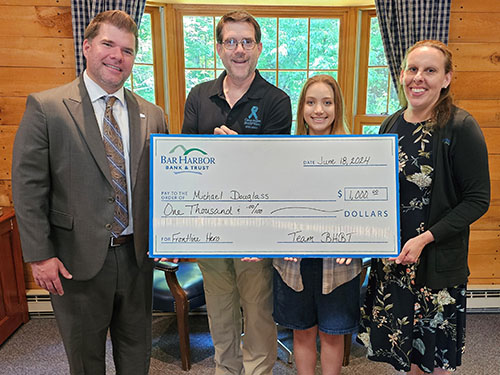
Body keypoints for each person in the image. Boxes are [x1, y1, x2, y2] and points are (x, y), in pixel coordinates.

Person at [12, 10, 167, 375]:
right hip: (73, 262)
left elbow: (162, 187)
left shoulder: (152, 114)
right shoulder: (47, 108)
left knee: (137, 353)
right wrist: (39, 255)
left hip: (136, 260)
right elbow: (28, 186)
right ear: (86, 47)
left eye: (127, 50)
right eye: (108, 44)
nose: (118, 56)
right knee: (85, 358)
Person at [357, 40, 490, 375]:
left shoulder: (461, 126)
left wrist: (424, 239)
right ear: (402, 75)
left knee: (431, 362)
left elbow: (477, 199)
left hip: (434, 265)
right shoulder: (390, 126)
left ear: (446, 78)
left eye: (430, 71)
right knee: (403, 358)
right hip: (393, 263)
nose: (419, 78)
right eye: (413, 69)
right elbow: (378, 192)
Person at [182, 10, 292, 375]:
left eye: (247, 42)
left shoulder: (277, 100)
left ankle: (259, 371)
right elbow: (184, 164)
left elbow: (276, 170)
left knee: (259, 309)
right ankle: (225, 370)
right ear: (219, 49)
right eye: (231, 41)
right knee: (219, 307)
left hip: (256, 228)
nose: (239, 49)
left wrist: (242, 148)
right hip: (210, 224)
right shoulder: (199, 96)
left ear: (258, 48)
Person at [272, 75, 362, 375]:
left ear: (337, 107)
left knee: (333, 334)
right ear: (302, 108)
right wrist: (282, 240)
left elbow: (363, 207)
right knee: (302, 331)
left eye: (326, 102)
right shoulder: (285, 152)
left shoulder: (355, 153)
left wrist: (356, 240)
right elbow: (274, 205)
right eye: (311, 102)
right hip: (293, 263)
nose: (318, 110)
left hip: (339, 264)